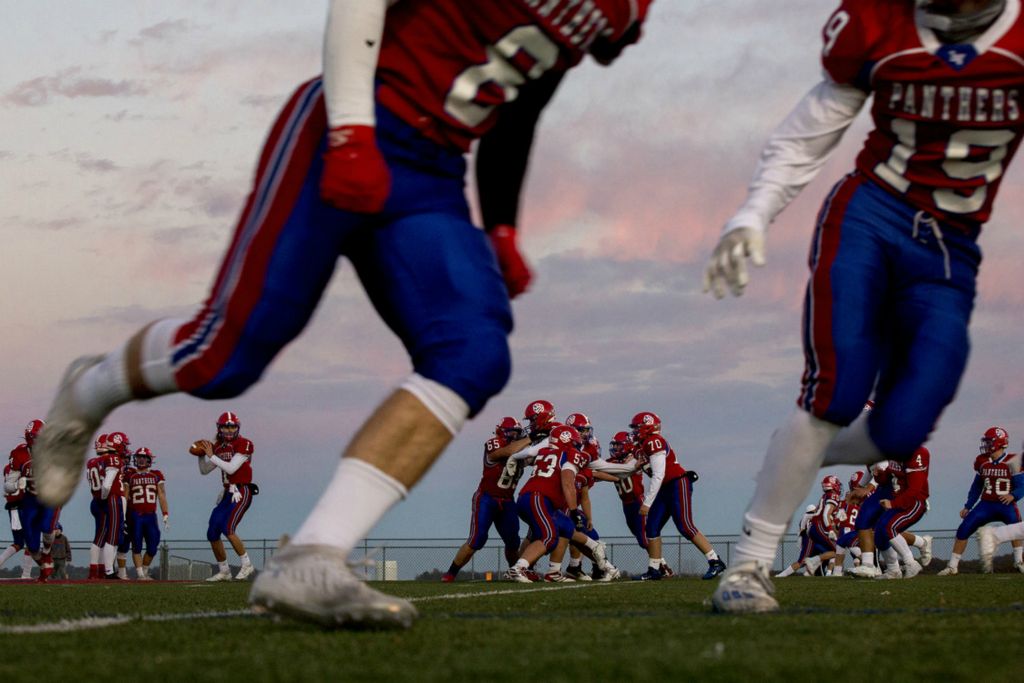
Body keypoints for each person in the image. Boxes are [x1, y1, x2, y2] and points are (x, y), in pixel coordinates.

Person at [33, 0, 654, 628]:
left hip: (431, 170)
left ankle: (313, 555)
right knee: (221, 360)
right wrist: (352, 130)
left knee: (475, 351)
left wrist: (500, 224)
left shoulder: (618, 11)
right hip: (350, 118)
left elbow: (521, 100)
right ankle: (88, 391)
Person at [708, 0, 1024, 612]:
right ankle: (748, 567)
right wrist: (755, 210)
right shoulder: (880, 21)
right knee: (837, 389)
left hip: (951, 252)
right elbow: (811, 129)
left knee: (902, 429)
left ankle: (797, 450)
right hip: (871, 217)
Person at [629, 412, 725, 581]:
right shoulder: (643, 445)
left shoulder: (654, 441)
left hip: (676, 484)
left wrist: (647, 503)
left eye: (637, 428)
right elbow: (632, 469)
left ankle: (715, 561)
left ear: (648, 427)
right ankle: (654, 569)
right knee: (651, 526)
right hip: (665, 487)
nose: (635, 432)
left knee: (685, 526)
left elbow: (659, 474)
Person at [441, 417, 530, 582]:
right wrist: (530, 438)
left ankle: (514, 573)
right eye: (512, 432)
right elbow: (504, 452)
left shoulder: (521, 450)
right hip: (487, 499)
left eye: (517, 433)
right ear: (502, 432)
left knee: (513, 541)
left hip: (507, 501)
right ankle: (451, 573)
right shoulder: (494, 444)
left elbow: (533, 457)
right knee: (477, 539)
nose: (515, 435)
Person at [939, 427, 1024, 574]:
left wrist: (1013, 495)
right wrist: (968, 506)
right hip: (986, 504)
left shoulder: (1012, 460)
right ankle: (952, 566)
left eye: (989, 441)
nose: (986, 445)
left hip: (1006, 504)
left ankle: (1019, 561)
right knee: (964, 528)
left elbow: (1022, 485)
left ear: (999, 442)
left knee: (1016, 528)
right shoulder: (983, 461)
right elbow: (977, 486)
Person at [192, 412, 256, 581]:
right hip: (228, 493)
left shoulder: (244, 443)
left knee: (228, 528)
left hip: (242, 491)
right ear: (219, 428)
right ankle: (224, 570)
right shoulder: (219, 447)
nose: (229, 429)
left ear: (238, 427)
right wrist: (201, 456)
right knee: (212, 531)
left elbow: (231, 469)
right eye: (226, 426)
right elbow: (204, 470)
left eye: (232, 426)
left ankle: (247, 564)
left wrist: (211, 454)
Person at [776, 476, 841, 578]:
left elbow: (803, 528)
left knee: (802, 561)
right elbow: (825, 515)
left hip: (812, 532)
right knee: (838, 549)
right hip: (817, 530)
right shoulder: (833, 496)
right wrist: (830, 530)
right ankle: (820, 566)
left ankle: (780, 576)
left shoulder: (824, 497)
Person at [127, 447, 169, 580]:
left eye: (144, 457)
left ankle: (144, 571)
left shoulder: (156, 475)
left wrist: (165, 513)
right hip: (135, 514)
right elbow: (125, 495)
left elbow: (161, 495)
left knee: (152, 546)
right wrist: (122, 516)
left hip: (151, 515)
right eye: (139, 457)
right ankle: (140, 574)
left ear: (149, 460)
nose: (141, 460)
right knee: (137, 545)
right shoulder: (130, 475)